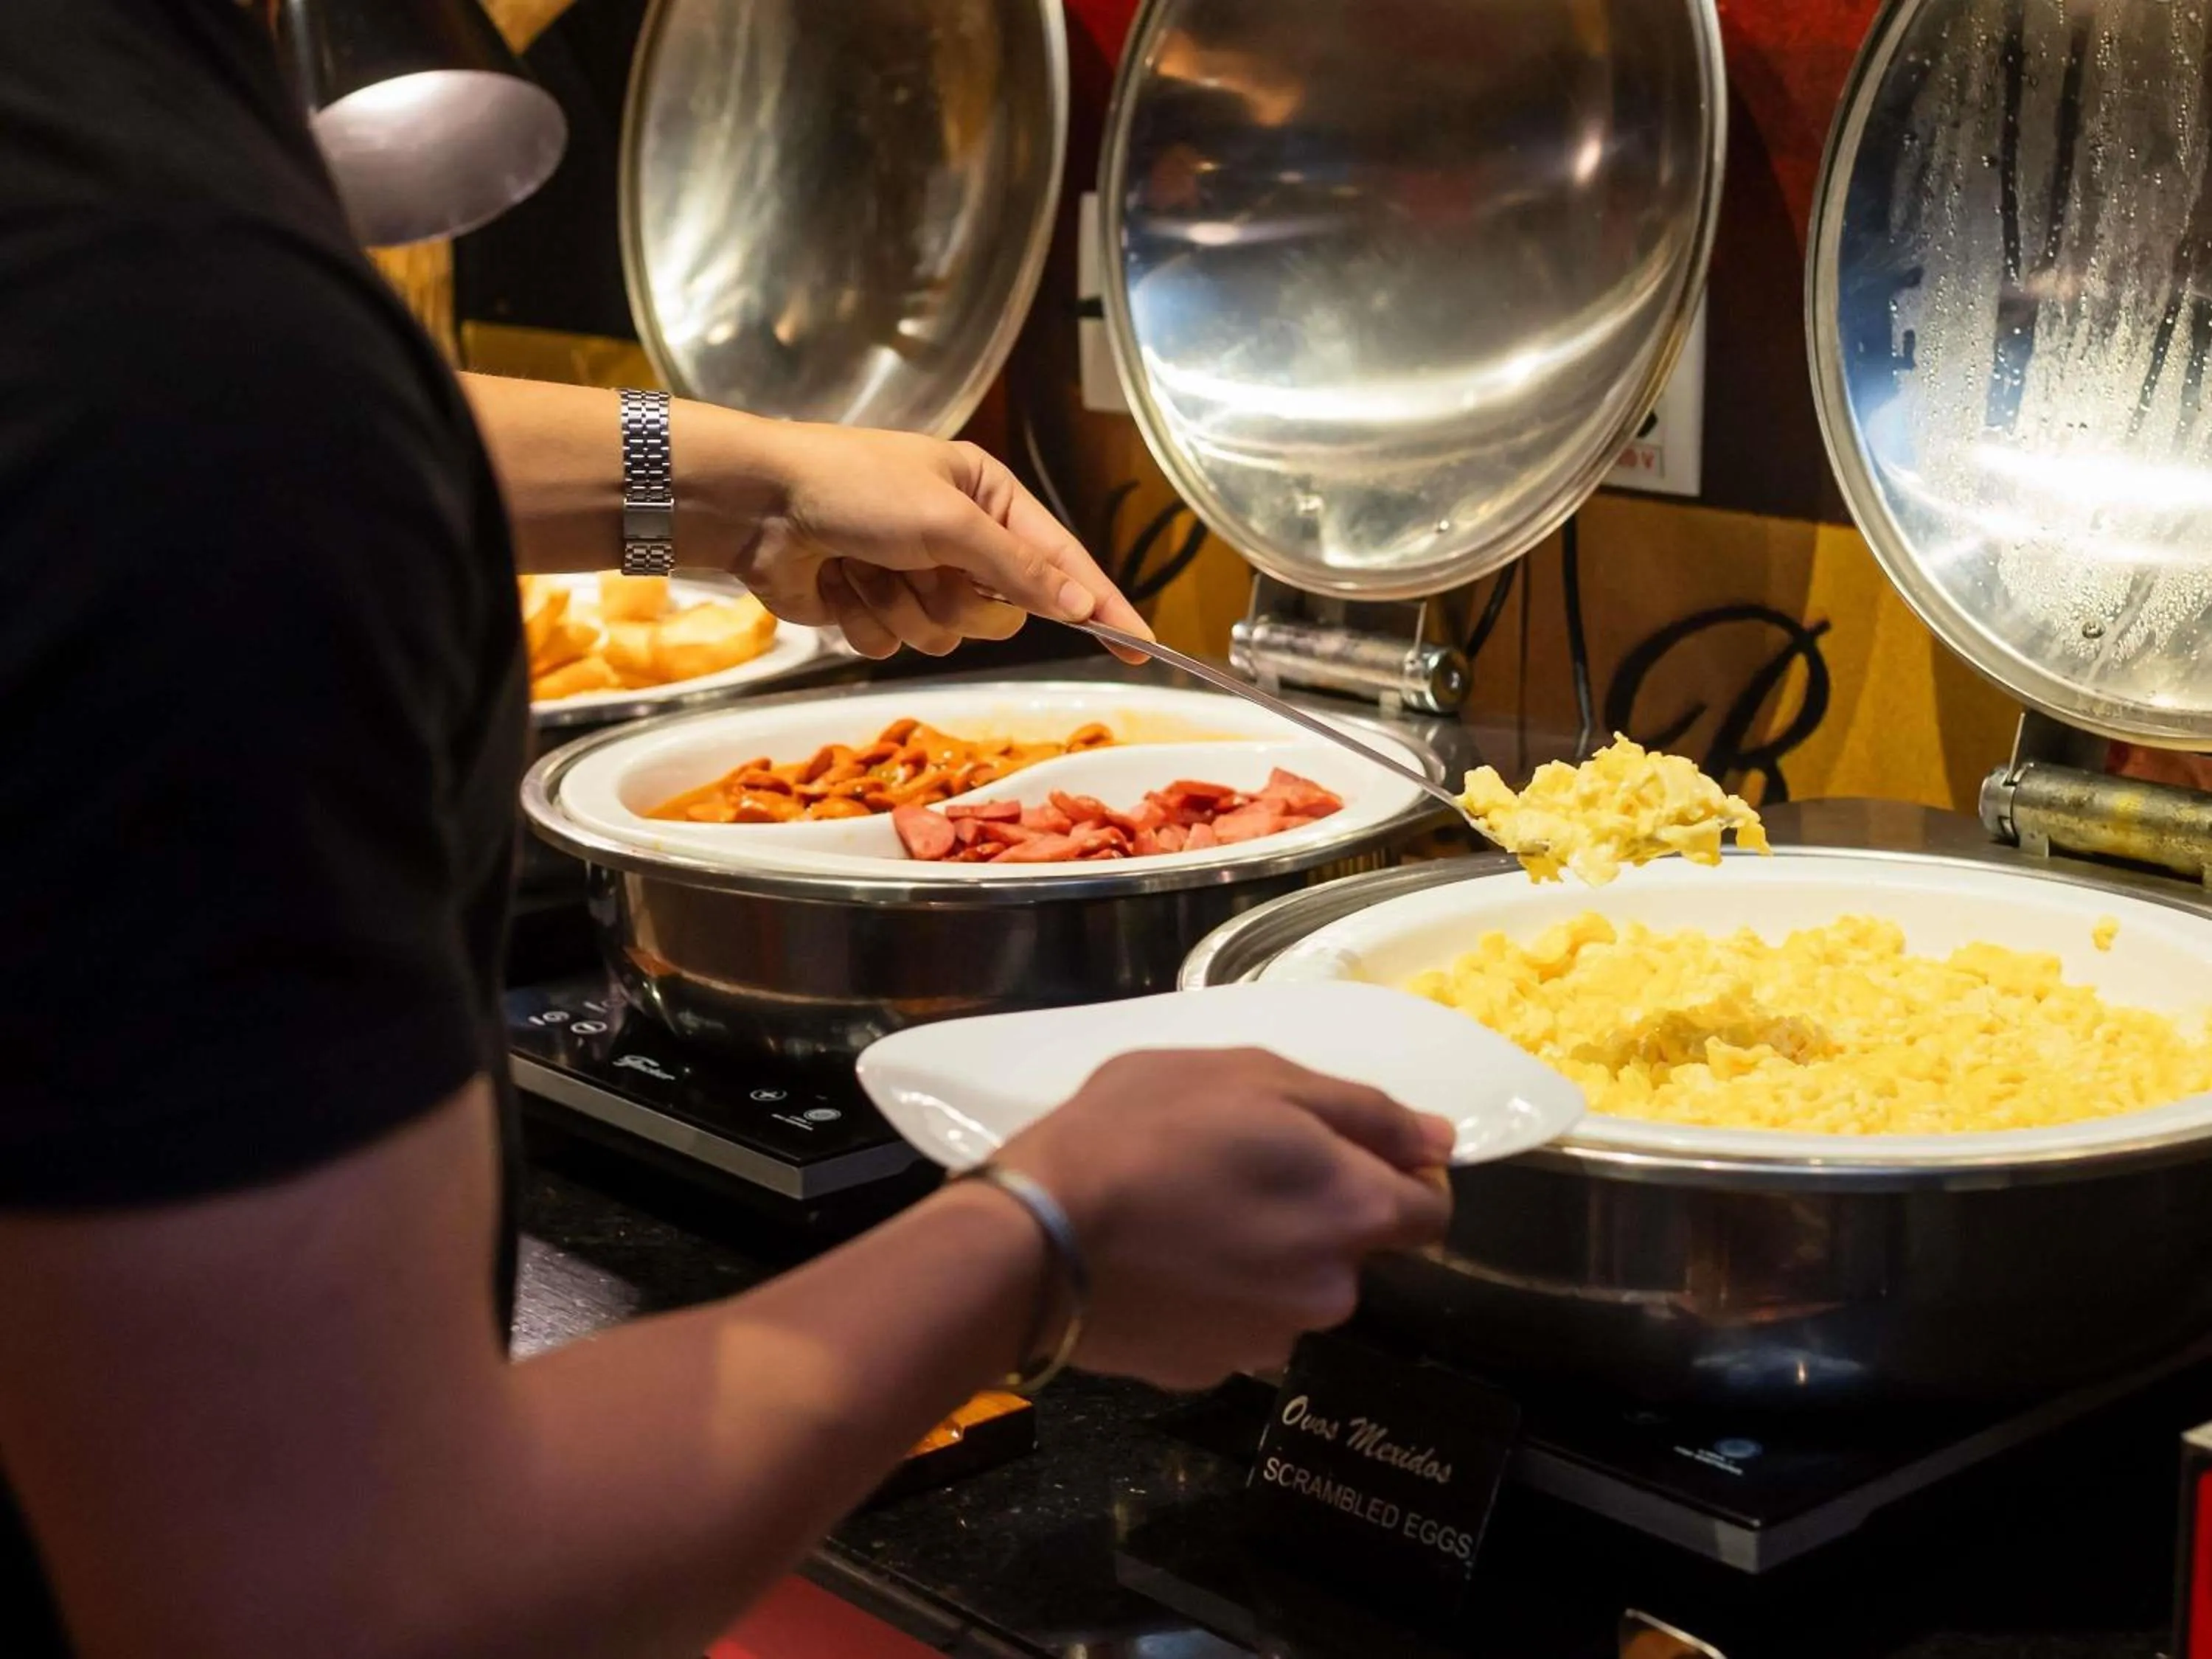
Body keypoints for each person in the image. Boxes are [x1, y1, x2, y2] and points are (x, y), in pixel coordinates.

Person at [0, 3, 1455, 1655]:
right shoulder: (144, 311)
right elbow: (344, 1592)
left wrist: (741, 488)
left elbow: (258, 419)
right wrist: (1039, 1244)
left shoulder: (94, 198)